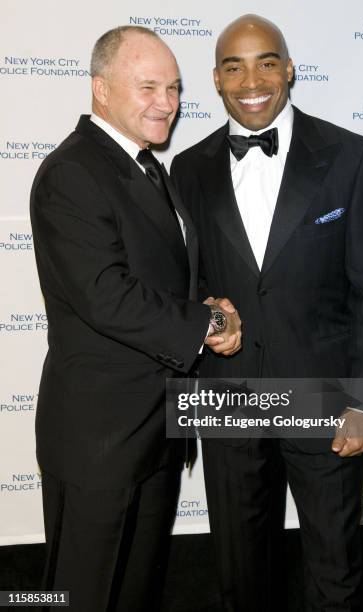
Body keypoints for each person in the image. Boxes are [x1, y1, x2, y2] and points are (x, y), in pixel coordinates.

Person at [171, 14, 363, 612]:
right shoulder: (187, 169)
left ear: (290, 69)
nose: (252, 78)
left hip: (326, 398)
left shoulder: (353, 157)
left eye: (266, 61)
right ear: (216, 81)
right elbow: (182, 286)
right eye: (233, 65)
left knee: (334, 572)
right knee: (241, 576)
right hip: (227, 399)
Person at [30, 25, 241, 612]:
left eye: (174, 88)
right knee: (80, 597)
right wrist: (204, 328)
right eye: (148, 86)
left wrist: (208, 307)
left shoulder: (149, 169)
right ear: (100, 89)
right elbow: (105, 295)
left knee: (136, 594)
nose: (167, 103)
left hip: (156, 433)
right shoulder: (73, 172)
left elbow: (162, 279)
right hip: (99, 440)